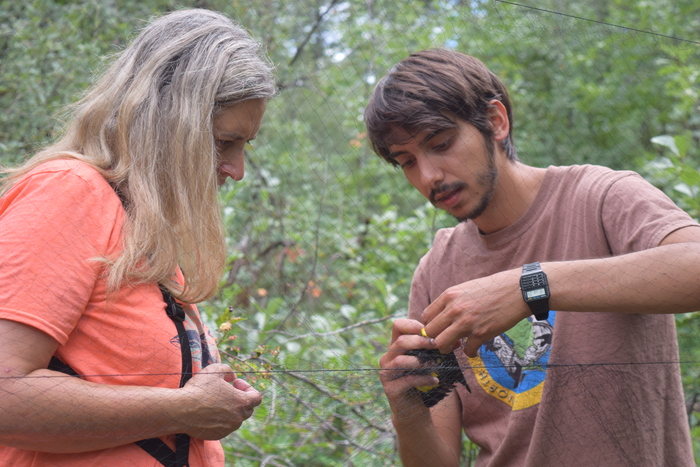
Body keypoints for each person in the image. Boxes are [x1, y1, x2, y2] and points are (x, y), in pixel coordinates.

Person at [365, 49, 700, 466]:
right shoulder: (437, 270)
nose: (428, 176)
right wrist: (408, 414)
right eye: (407, 162)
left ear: (495, 121)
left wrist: (530, 285)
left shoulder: (601, 197)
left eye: (441, 144)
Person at [0, 9, 275, 467]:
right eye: (224, 142)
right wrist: (185, 409)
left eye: (245, 145)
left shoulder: (141, 230)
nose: (237, 169)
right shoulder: (71, 191)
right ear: (168, 125)